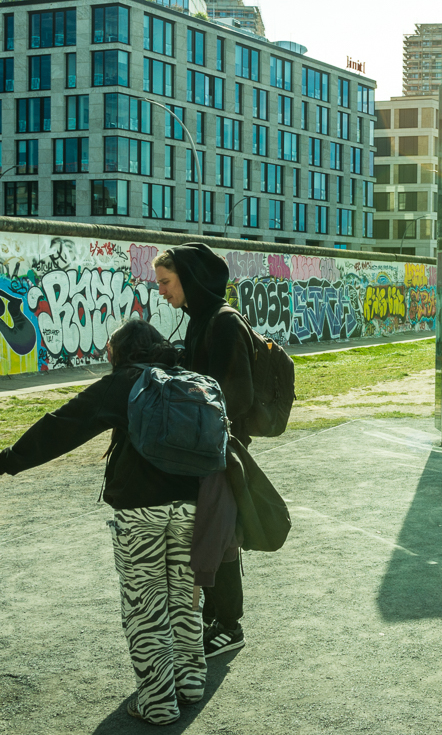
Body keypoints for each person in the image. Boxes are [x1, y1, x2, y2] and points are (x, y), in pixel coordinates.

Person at [0, 318, 204, 726]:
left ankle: (157, 701)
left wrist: (8, 460)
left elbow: (65, 425)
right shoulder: (187, 376)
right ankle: (189, 683)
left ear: (121, 353)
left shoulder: (126, 383)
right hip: (194, 504)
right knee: (185, 595)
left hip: (141, 509)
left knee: (146, 602)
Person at [153, 243, 256, 659]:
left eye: (166, 282)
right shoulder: (200, 319)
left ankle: (229, 625)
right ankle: (217, 616)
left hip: (218, 449)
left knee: (220, 538)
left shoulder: (224, 322)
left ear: (189, 279)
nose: (161, 291)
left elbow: (239, 394)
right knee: (209, 536)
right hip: (202, 447)